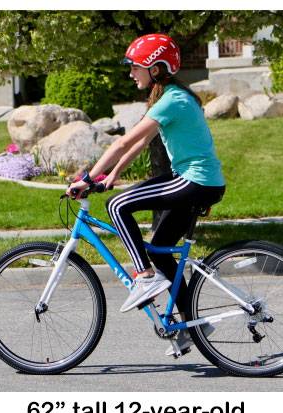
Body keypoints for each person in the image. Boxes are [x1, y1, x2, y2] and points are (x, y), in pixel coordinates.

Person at [65, 34, 226, 320]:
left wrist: (87, 179)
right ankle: (192, 326)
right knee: (161, 250)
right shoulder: (171, 98)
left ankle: (145, 276)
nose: (130, 74)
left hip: (195, 180)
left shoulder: (172, 100)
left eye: (135, 67)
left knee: (117, 206)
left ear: (155, 69)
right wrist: (112, 174)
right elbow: (140, 143)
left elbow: (122, 143)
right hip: (200, 181)